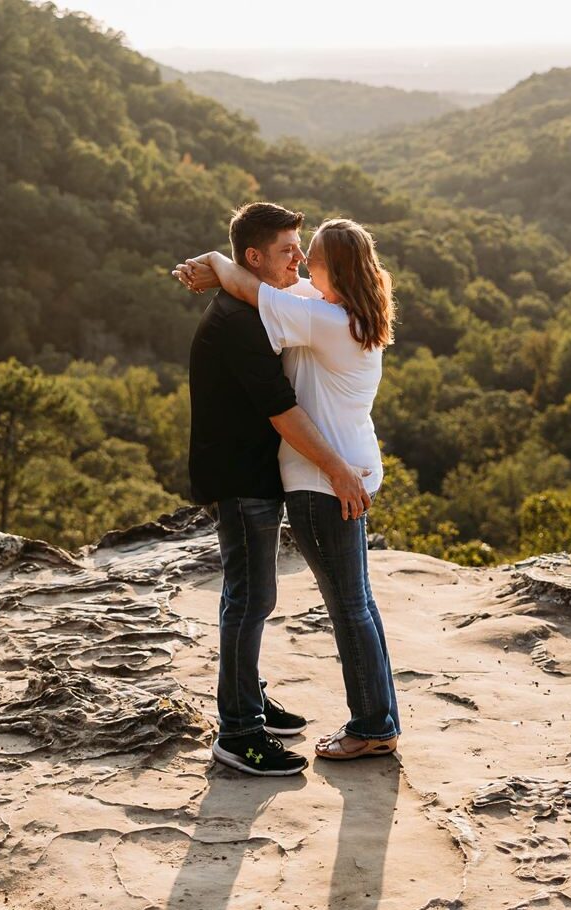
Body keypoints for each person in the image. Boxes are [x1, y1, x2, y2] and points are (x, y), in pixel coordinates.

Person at [176, 216, 401, 761]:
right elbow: (263, 287)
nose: (300, 263)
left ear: (332, 271)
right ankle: (364, 719)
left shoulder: (322, 318)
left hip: (327, 480)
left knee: (347, 606)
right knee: (351, 602)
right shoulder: (342, 309)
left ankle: (371, 724)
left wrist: (217, 261)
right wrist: (222, 268)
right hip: (339, 471)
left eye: (308, 255)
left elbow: (255, 289)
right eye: (293, 252)